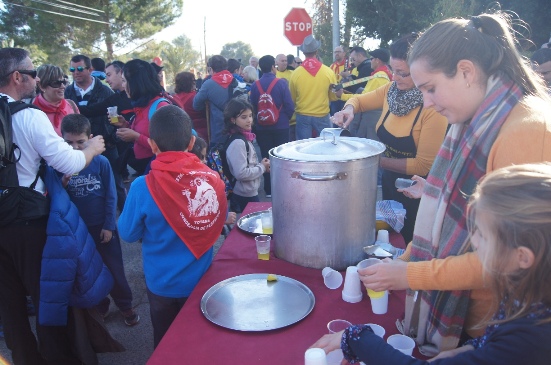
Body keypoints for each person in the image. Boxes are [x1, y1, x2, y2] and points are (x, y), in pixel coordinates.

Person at [354, 13, 551, 355]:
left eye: (430, 89)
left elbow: (506, 258)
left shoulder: (527, 132)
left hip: (492, 329)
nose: (427, 102)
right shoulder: (475, 118)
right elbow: (442, 218)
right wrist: (405, 259)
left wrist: (409, 274)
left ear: (466, 71)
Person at [310, 163, 551, 364]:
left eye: (483, 235)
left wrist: (356, 337)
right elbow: (495, 344)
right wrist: (470, 350)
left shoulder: (531, 338)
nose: (473, 241)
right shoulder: (527, 297)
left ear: (523, 258)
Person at [0, 47, 105, 364]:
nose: (36, 77)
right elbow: (68, 161)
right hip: (27, 220)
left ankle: (25, 358)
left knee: (9, 304)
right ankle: (59, 358)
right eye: (32, 73)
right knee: (48, 297)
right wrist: (91, 149)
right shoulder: (29, 116)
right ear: (17, 77)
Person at [118, 105, 227, 348]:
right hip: (200, 280)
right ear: (191, 142)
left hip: (161, 285)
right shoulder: (212, 180)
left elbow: (127, 233)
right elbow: (220, 217)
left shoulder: (141, 186)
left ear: (153, 145)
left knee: (167, 344)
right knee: (199, 343)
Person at [333, 33, 448, 243]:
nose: (395, 78)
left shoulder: (433, 108)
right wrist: (348, 110)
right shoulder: (391, 91)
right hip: (390, 183)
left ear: (421, 71)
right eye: (393, 71)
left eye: (403, 73)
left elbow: (423, 166)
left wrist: (373, 160)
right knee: (391, 239)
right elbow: (359, 100)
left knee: (412, 243)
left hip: (419, 192)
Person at [60, 114, 139, 327]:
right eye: (69, 143)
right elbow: (59, 200)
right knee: (88, 271)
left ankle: (125, 305)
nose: (75, 148)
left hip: (102, 228)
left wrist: (108, 225)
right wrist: (63, 183)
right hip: (78, 230)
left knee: (114, 269)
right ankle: (100, 304)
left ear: (91, 139)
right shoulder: (62, 165)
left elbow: (111, 195)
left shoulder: (101, 162)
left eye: (81, 142)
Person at [114, 59, 170, 176]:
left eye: (124, 81)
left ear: (136, 83)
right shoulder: (142, 104)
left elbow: (167, 146)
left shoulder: (160, 107)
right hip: (146, 168)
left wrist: (136, 137)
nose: (123, 86)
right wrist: (126, 126)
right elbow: (145, 130)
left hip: (158, 171)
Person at [250, 55, 295, 198]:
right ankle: (282, 187)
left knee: (266, 155)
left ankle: (269, 189)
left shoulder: (254, 85)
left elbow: (252, 107)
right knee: (282, 156)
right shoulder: (281, 83)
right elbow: (289, 105)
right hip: (280, 126)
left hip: (262, 127)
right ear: (272, 67)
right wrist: (284, 118)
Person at [289, 35, 340, 140]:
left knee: (303, 149)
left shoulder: (295, 73)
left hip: (302, 115)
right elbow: (333, 96)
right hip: (322, 114)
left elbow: (292, 98)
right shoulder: (328, 72)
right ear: (316, 51)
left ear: (303, 53)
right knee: (328, 145)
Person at [223, 98, 270, 212]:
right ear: (233, 120)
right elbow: (241, 173)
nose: (249, 120)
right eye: (244, 117)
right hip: (244, 194)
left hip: (247, 191)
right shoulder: (238, 143)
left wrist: (261, 166)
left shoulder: (244, 137)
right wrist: (262, 167)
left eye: (250, 116)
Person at [194, 55, 236, 147]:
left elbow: (196, 105)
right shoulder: (237, 81)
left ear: (211, 69)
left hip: (219, 133)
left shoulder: (208, 84)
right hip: (239, 131)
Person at [33, 64, 78, 136]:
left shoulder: (71, 105)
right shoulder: (31, 111)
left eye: (64, 82)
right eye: (56, 83)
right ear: (42, 86)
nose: (63, 86)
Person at [173, 71, 208, 142]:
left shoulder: (174, 98)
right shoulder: (196, 97)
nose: (195, 82)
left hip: (183, 133)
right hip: (201, 132)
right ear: (188, 83)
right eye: (193, 80)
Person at [329, 45, 348, 115]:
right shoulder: (332, 66)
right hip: (335, 98)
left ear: (344, 53)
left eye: (339, 52)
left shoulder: (348, 65)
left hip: (346, 97)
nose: (337, 54)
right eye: (335, 52)